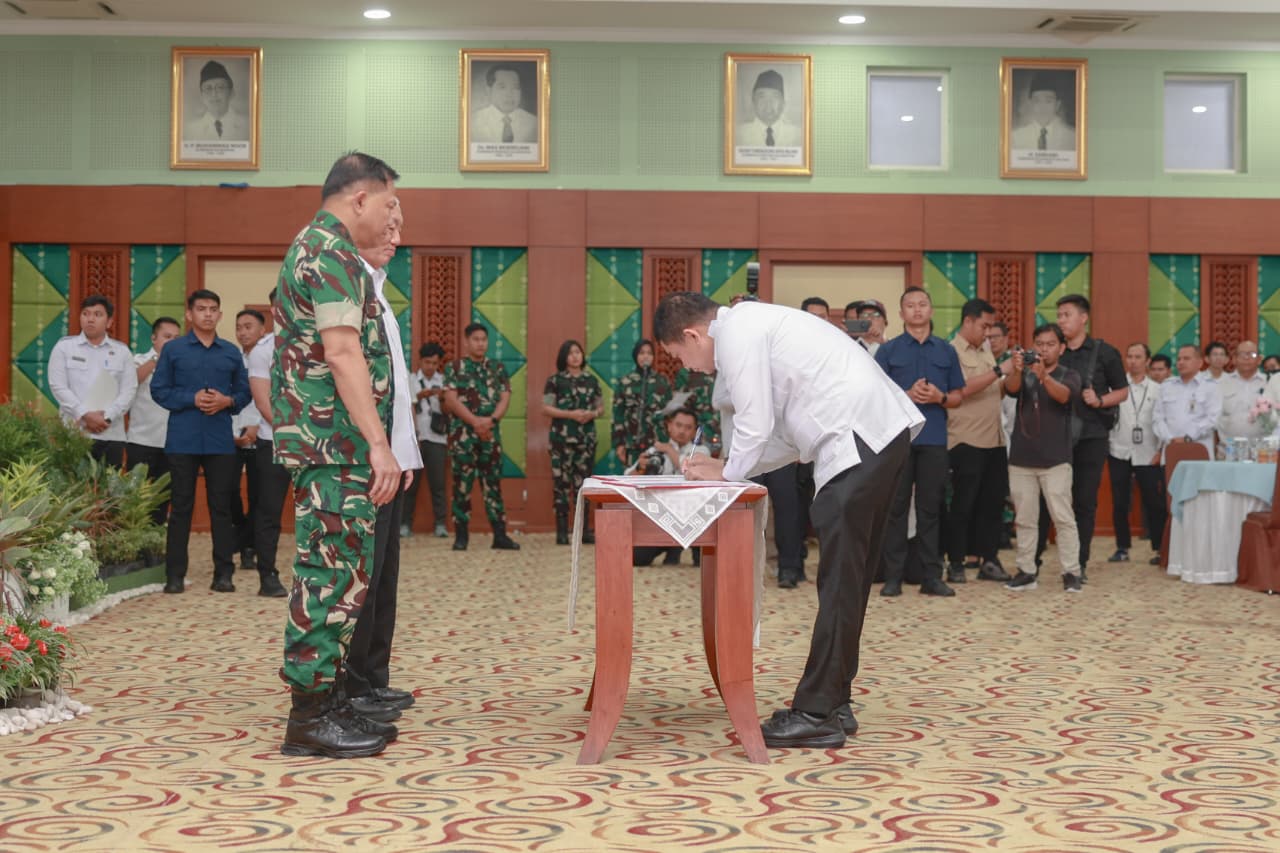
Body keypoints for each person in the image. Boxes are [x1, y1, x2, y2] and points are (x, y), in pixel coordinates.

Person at [654, 291, 922, 749]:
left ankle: (816, 712)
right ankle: (834, 701)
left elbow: (755, 424)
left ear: (692, 335)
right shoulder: (755, 325)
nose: (689, 367)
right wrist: (727, 467)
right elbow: (780, 440)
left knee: (839, 581)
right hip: (877, 434)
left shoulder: (737, 332)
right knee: (848, 581)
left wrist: (728, 475)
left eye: (680, 355)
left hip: (857, 439)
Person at [271, 151, 403, 759]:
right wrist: (378, 443)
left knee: (342, 572)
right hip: (336, 444)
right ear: (360, 199)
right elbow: (343, 351)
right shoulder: (330, 253)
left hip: (331, 443)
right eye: (388, 203)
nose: (391, 217)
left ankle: (329, 698)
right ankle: (309, 717)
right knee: (328, 576)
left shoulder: (319, 248)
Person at [345, 203, 423, 723]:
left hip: (391, 459)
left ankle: (374, 678)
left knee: (384, 575)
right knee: (360, 579)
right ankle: (352, 685)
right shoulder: (348, 287)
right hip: (362, 461)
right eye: (389, 228)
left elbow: (395, 387)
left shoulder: (380, 290)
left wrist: (405, 451)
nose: (396, 238)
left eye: (400, 230)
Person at [151, 289, 251, 595]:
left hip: (220, 440)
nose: (207, 314)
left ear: (220, 314)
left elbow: (244, 392)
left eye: (212, 309)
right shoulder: (174, 350)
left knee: (221, 508)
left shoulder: (231, 352)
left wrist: (227, 401)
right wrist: (190, 399)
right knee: (181, 507)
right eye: (201, 309)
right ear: (189, 314)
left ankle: (224, 574)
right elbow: (159, 390)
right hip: (183, 438)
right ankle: (174, 576)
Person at [875, 287, 966, 598]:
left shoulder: (946, 351)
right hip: (899, 439)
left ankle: (931, 577)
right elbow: (876, 396)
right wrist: (906, 395)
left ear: (931, 310)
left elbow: (958, 396)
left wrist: (939, 397)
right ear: (901, 313)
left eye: (923, 304)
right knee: (896, 508)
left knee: (930, 509)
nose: (917, 310)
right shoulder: (888, 351)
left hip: (934, 438)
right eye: (910, 305)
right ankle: (893, 577)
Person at [1037, 294, 1127, 581]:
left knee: (1084, 502)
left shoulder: (1105, 352)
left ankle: (1078, 564)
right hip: (1053, 437)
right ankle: (1032, 562)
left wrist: (1100, 400)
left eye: (1067, 315)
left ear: (1083, 317)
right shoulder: (1053, 350)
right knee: (1046, 499)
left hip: (1091, 435)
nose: (1061, 320)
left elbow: (1122, 391)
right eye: (1059, 315)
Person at [1002, 324, 1084, 593]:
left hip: (1056, 460)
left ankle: (1071, 572)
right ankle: (1026, 571)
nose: (1044, 349)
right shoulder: (1024, 372)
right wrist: (1017, 369)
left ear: (1061, 348)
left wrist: (1044, 376)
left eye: (1050, 344)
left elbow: (1065, 396)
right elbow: (1010, 389)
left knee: (1063, 518)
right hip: (1022, 457)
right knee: (1025, 519)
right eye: (1039, 344)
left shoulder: (1069, 374)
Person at [944, 299, 1013, 584]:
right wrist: (999, 370)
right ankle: (956, 562)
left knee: (992, 505)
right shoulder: (951, 351)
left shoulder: (985, 351)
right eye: (984, 326)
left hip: (995, 439)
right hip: (966, 439)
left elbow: (996, 390)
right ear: (968, 321)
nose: (987, 333)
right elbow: (961, 389)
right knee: (963, 505)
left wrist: (1014, 373)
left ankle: (989, 559)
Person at [444, 322, 520, 551]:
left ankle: (500, 535)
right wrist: (475, 421)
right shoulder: (455, 367)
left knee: (493, 485)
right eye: (476, 339)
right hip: (463, 437)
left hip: (490, 437)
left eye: (484, 339)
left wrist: (491, 420)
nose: (480, 343)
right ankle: (461, 537)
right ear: (467, 342)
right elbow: (450, 399)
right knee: (461, 487)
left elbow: (505, 397)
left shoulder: (497, 368)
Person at [47, 294, 138, 467]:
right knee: (73, 483)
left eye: (97, 314)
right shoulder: (64, 347)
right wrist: (85, 415)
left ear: (109, 322)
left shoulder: (122, 352)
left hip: (111, 434)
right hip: (74, 434)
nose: (90, 319)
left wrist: (107, 417)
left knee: (111, 484)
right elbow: (58, 386)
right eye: (86, 313)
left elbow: (129, 390)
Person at [244, 291, 289, 599]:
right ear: (274, 309)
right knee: (269, 511)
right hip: (275, 442)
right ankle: (268, 575)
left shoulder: (320, 343)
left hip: (317, 444)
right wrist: (295, 433)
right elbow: (263, 402)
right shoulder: (263, 350)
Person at [1106, 342, 1166, 566]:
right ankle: (1122, 547)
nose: (1132, 361)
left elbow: (1164, 422)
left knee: (1154, 502)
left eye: (1138, 357)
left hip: (1149, 452)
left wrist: (1160, 450)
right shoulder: (1116, 387)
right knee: (1120, 502)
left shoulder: (1158, 390)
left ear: (1147, 361)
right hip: (1119, 450)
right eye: (1129, 356)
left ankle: (1159, 548)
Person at [629, 407, 711, 568]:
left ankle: (682, 546)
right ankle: (672, 546)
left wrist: (669, 450)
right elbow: (628, 476)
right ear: (669, 426)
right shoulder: (655, 451)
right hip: (660, 517)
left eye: (688, 427)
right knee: (637, 558)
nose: (682, 431)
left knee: (704, 564)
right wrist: (640, 468)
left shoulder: (701, 451)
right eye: (678, 425)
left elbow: (690, 470)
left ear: (695, 432)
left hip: (694, 518)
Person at [542, 340, 603, 545]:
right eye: (570, 353)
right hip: (561, 441)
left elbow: (601, 408)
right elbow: (546, 408)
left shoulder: (591, 380)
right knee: (561, 485)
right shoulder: (555, 381)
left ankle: (583, 531)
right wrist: (571, 414)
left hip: (585, 441)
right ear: (564, 358)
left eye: (578, 352)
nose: (575, 356)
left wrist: (591, 414)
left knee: (583, 486)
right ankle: (561, 532)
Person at [125, 317, 181, 525]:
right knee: (135, 497)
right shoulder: (139, 360)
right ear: (153, 338)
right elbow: (131, 381)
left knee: (162, 498)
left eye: (176, 338)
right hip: (141, 440)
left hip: (171, 442)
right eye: (167, 337)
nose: (172, 342)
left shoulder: (180, 365)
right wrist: (158, 360)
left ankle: (156, 537)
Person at [230, 309, 265, 571]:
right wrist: (233, 433)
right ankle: (242, 535)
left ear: (262, 330)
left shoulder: (271, 357)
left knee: (258, 496)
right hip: (231, 435)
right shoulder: (230, 358)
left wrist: (257, 426)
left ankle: (248, 548)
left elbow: (273, 397)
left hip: (261, 434)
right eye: (239, 327)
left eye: (248, 326)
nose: (242, 332)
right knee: (228, 492)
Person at [404, 342, 450, 539]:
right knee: (409, 485)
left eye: (434, 363)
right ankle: (405, 524)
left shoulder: (444, 381)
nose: (430, 366)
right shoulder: (411, 380)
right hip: (415, 438)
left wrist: (442, 398)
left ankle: (440, 524)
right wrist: (420, 396)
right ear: (420, 361)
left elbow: (448, 411)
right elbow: (406, 406)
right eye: (427, 362)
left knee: (438, 484)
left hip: (437, 438)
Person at [612, 339, 673, 471]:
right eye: (642, 353)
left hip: (658, 442)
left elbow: (670, 413)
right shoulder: (625, 382)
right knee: (633, 477)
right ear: (636, 356)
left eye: (649, 353)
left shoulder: (662, 382)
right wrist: (619, 444)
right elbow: (618, 415)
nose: (646, 356)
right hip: (632, 443)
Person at [1152, 344, 1221, 461]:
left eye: (1186, 358)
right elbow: (1157, 418)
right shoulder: (1166, 386)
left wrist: (1187, 438)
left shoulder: (1211, 386)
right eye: (1179, 359)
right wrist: (1170, 439)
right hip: (1171, 449)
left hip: (1199, 450)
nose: (1181, 362)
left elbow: (1212, 419)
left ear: (1200, 363)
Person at [1216, 341, 1268, 449]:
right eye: (1242, 354)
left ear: (1259, 360)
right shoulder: (1221, 384)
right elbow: (1214, 418)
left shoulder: (1269, 383)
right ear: (1234, 359)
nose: (1246, 358)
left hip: (1262, 450)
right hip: (1229, 450)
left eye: (1252, 354)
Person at [470, 64, 537, 144]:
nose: (509, 94)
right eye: (502, 87)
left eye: (515, 88)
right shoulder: (473, 122)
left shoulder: (534, 123)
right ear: (489, 91)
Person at [184, 60, 249, 142]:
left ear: (231, 93)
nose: (214, 94)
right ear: (201, 96)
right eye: (208, 88)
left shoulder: (247, 126)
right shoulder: (190, 130)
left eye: (220, 87)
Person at [736, 69, 801, 148]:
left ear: (783, 104)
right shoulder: (738, 135)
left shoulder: (798, 135)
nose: (768, 103)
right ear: (753, 102)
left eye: (775, 96)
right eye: (762, 96)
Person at [1010, 73, 1075, 151]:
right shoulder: (1016, 137)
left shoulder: (1072, 137)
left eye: (1048, 101)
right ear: (1030, 104)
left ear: (1057, 105)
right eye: (1037, 101)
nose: (1042, 107)